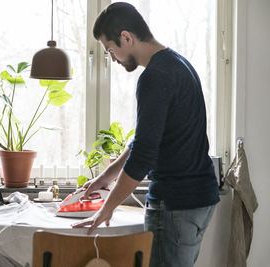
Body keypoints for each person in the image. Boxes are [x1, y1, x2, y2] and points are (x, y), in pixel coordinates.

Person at [71, 2, 220, 267]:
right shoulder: (177, 63)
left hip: (176, 204)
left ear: (126, 37)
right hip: (198, 199)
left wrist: (108, 208)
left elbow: (143, 156)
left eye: (110, 49)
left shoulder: (155, 77)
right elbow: (145, 140)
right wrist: (104, 178)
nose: (113, 58)